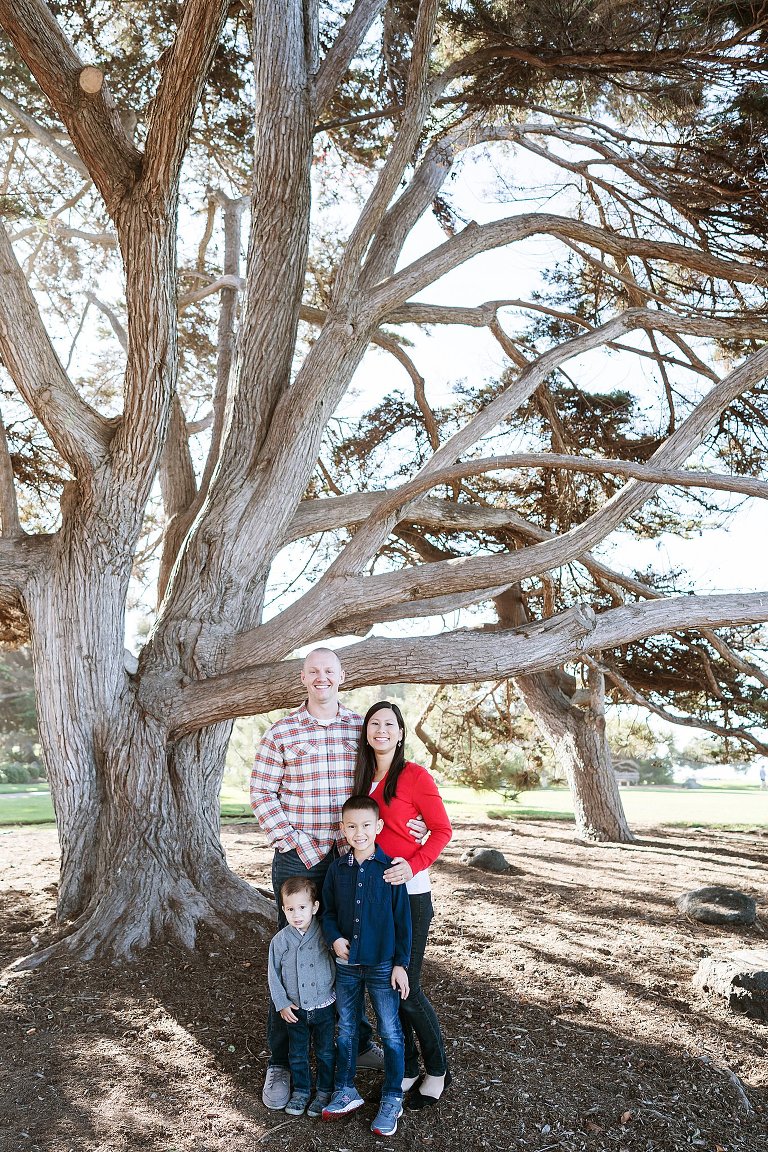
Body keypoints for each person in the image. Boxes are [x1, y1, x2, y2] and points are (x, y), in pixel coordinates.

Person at [250, 648, 422, 1108]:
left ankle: (355, 1041)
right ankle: (282, 1063)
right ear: (303, 678)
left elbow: (383, 787)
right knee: (294, 958)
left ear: (342, 676)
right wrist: (298, 845)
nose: (321, 677)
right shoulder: (283, 732)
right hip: (298, 860)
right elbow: (262, 793)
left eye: (330, 670)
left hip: (351, 859)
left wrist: (412, 825)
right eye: (313, 671)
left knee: (348, 949)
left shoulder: (357, 730)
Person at [354, 699, 453, 1110]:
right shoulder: (360, 777)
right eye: (374, 723)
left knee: (406, 988)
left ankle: (438, 1069)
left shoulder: (414, 776)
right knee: (384, 991)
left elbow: (442, 831)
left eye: (389, 724)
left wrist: (411, 865)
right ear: (366, 731)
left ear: (400, 732)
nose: (381, 730)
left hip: (408, 895)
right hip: (374, 897)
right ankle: (408, 1067)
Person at [321, 795, 412, 1137]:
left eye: (365, 825)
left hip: (381, 965)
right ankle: (345, 1090)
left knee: (390, 1031)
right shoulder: (337, 870)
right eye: (351, 826)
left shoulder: (390, 871)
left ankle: (392, 1096)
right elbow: (328, 911)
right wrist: (333, 938)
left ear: (379, 827)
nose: (358, 832)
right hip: (347, 964)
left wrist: (401, 964)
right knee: (346, 1029)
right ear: (342, 828)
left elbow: (404, 923)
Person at [267, 878, 336, 1118]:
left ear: (315, 907)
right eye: (290, 909)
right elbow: (273, 975)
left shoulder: (325, 934)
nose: (297, 914)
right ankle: (302, 1091)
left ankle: (325, 1092)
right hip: (295, 1010)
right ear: (283, 909)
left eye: (302, 908)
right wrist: (282, 1003)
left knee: (325, 1051)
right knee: (297, 1053)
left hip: (325, 1005)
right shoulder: (281, 941)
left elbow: (337, 964)